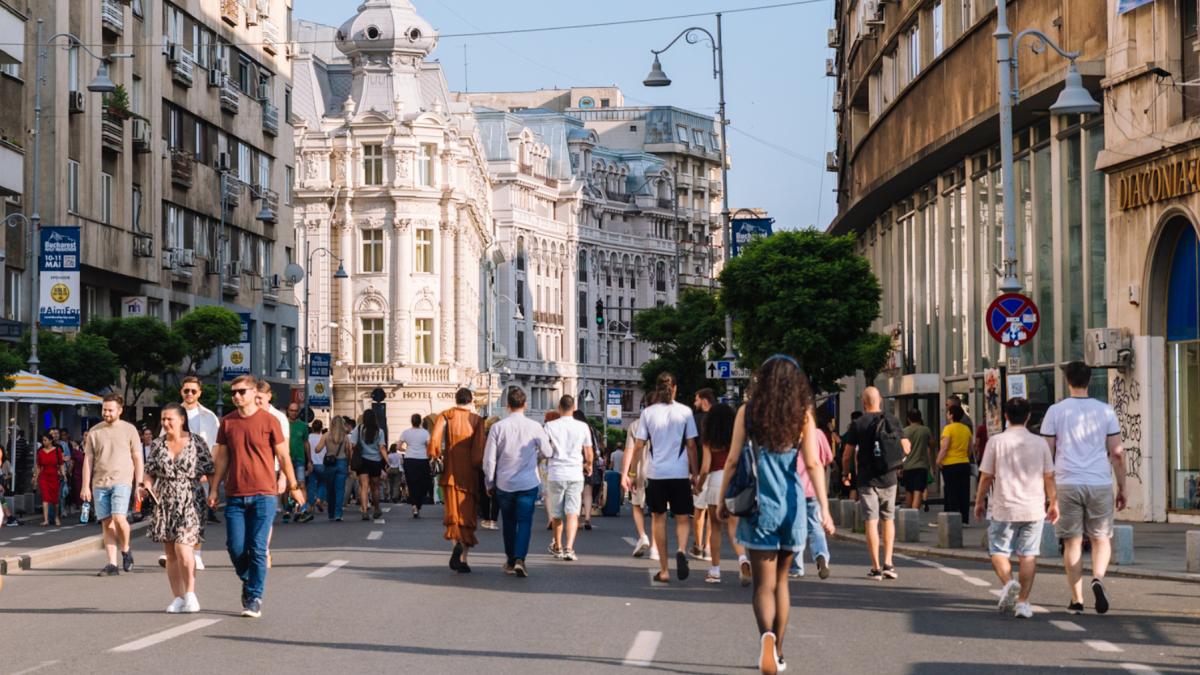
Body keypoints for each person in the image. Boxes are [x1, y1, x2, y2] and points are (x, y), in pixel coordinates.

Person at [717, 355, 834, 675]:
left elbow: (731, 459)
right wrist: (824, 509)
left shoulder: (748, 413)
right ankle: (779, 651)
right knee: (783, 582)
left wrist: (720, 498)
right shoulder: (803, 416)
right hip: (793, 506)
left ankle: (765, 637)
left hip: (758, 506)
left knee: (762, 586)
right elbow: (813, 464)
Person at [209, 374, 304, 618]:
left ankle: (253, 597)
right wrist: (214, 488)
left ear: (253, 393)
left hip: (264, 493)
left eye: (241, 392)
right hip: (235, 494)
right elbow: (223, 458)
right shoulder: (227, 423)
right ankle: (249, 578)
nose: (237, 396)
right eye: (234, 393)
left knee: (258, 548)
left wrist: (293, 485)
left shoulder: (270, 421)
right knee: (235, 546)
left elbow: (283, 456)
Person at [1040, 361, 1127, 615]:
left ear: (1068, 381)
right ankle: (1098, 578)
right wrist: (1122, 487)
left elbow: (1048, 453)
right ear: (1089, 380)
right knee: (1101, 538)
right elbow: (1117, 453)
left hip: (1067, 481)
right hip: (1099, 481)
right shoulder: (1106, 411)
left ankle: (1077, 599)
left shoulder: (1055, 412)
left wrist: (1049, 493)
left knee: (1072, 541)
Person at [974, 397, 1058, 619]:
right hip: (1033, 508)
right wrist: (1053, 503)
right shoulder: (1039, 443)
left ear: (1006, 416)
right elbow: (1048, 476)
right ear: (1029, 416)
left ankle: (1009, 583)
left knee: (999, 550)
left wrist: (979, 501)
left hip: (1004, 507)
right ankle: (1023, 603)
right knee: (1028, 555)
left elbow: (986, 476)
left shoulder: (996, 442)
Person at [623, 372, 700, 583]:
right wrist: (695, 473)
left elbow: (639, 446)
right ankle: (683, 549)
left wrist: (631, 472)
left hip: (656, 473)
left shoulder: (648, 413)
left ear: (657, 389)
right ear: (674, 388)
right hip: (680, 472)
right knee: (683, 516)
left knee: (659, 517)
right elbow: (691, 445)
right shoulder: (685, 412)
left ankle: (664, 570)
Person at [144, 403, 215, 614]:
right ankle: (177, 597)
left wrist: (213, 492)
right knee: (170, 553)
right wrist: (145, 485)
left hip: (191, 500)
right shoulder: (157, 445)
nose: (165, 423)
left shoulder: (196, 442)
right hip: (164, 501)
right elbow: (150, 472)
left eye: (170, 419)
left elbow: (211, 469)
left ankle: (191, 593)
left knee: (184, 548)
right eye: (163, 419)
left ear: (181, 420)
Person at [841, 387, 910, 581]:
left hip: (866, 479)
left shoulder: (858, 424)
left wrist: (846, 474)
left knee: (871, 521)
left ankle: (876, 567)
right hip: (889, 477)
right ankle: (889, 563)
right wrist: (898, 461)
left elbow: (847, 454)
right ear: (880, 400)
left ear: (863, 402)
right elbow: (906, 446)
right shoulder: (892, 420)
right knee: (888, 518)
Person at [483, 386, 550, 578]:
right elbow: (549, 452)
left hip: (504, 483)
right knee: (525, 522)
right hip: (528, 482)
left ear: (507, 406)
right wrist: (535, 455)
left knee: (509, 523)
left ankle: (511, 560)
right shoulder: (535, 426)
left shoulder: (498, 427)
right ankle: (521, 558)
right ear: (525, 405)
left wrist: (489, 482)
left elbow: (489, 459)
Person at [82, 394, 144, 576]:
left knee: (119, 518)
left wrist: (139, 483)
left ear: (119, 410)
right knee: (107, 524)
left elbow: (138, 458)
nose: (106, 413)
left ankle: (125, 549)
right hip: (99, 483)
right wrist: (85, 486)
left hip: (122, 481)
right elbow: (88, 460)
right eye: (104, 409)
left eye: (110, 410)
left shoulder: (129, 429)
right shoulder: (94, 431)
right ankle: (112, 564)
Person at [429, 388, 487, 573]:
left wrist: (435, 454)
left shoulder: (446, 415)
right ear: (471, 401)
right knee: (467, 514)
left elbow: (435, 441)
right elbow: (479, 451)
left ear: (456, 399)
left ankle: (456, 545)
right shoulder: (477, 421)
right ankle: (464, 558)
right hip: (469, 473)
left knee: (453, 513)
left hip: (451, 472)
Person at [696, 403, 751, 585]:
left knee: (715, 528)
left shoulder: (709, 439)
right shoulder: (737, 436)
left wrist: (698, 485)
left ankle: (715, 570)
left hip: (715, 482)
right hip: (734, 481)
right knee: (734, 527)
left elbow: (705, 468)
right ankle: (743, 559)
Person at [543, 396, 593, 562]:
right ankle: (569, 548)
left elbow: (545, 449)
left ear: (559, 407)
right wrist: (589, 465)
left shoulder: (549, 426)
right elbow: (588, 453)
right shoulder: (583, 426)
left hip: (556, 473)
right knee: (572, 513)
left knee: (557, 514)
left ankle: (557, 546)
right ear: (574, 407)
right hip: (575, 473)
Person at [789, 422, 835, 580]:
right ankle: (821, 556)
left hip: (794, 488)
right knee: (816, 525)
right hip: (815, 487)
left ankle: (797, 567)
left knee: (796, 527)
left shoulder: (789, 433)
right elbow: (829, 458)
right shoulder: (818, 434)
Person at [621, 414, 654, 559]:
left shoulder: (635, 425)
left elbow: (629, 451)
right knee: (658, 510)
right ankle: (656, 548)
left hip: (639, 470)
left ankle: (643, 536)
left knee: (636, 505)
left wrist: (625, 474)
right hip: (657, 471)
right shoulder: (665, 424)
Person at [690, 388, 717, 561]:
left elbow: (690, 446)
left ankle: (698, 545)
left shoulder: (696, 420)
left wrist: (692, 472)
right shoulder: (722, 418)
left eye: (696, 399)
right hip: (720, 470)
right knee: (713, 512)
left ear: (704, 401)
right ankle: (708, 547)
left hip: (701, 468)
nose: (695, 403)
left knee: (699, 510)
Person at [936, 405, 973, 526]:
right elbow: (970, 448)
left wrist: (938, 460)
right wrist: (964, 456)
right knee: (964, 491)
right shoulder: (966, 429)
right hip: (964, 463)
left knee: (951, 491)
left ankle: (952, 519)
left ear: (951, 415)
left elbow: (945, 447)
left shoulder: (948, 429)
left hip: (950, 464)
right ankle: (964, 519)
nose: (947, 415)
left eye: (948, 413)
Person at [351, 409, 387, 521]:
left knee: (364, 487)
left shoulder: (359, 429)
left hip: (362, 461)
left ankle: (365, 511)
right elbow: (382, 448)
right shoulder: (379, 431)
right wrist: (387, 460)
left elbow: (353, 444)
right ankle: (376, 509)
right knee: (375, 488)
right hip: (376, 462)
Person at [315, 417, 351, 521]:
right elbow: (348, 451)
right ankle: (338, 514)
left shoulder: (326, 435)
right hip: (342, 462)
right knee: (340, 490)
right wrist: (349, 463)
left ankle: (331, 513)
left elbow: (317, 449)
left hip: (330, 464)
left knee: (330, 490)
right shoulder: (345, 437)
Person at [574, 409, 603, 531]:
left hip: (576, 462)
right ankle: (587, 518)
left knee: (577, 493)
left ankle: (578, 520)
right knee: (588, 492)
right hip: (591, 462)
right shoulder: (592, 429)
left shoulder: (575, 428)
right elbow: (599, 446)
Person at [400, 414, 432, 519]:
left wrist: (407, 450)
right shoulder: (425, 433)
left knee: (411, 483)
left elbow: (399, 446)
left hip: (409, 459)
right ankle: (418, 504)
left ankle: (414, 505)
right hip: (422, 460)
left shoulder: (406, 432)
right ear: (420, 422)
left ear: (411, 421)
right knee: (423, 483)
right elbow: (429, 446)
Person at [901, 409, 933, 510]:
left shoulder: (904, 431)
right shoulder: (926, 430)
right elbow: (932, 443)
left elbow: (901, 449)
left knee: (909, 491)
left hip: (907, 466)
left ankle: (908, 514)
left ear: (908, 419)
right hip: (921, 465)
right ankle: (915, 513)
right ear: (920, 418)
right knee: (918, 490)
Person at [286, 403, 313, 523]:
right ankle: (288, 509)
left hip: (300, 459)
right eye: (291, 410)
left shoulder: (303, 426)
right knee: (288, 486)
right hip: (286, 459)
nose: (294, 413)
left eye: (296, 411)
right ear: (288, 411)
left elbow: (306, 443)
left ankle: (301, 510)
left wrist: (310, 461)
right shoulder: (283, 425)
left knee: (301, 484)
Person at [477, 416, 502, 531]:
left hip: (483, 465)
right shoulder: (500, 436)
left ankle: (486, 518)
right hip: (499, 466)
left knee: (483, 493)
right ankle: (494, 520)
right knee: (496, 493)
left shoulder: (482, 437)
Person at [34, 433, 64, 526]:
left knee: (55, 499)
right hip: (44, 476)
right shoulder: (40, 452)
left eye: (45, 440)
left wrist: (64, 474)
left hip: (54, 476)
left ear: (51, 441)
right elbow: (38, 466)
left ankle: (56, 517)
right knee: (45, 497)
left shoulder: (57, 450)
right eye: (43, 440)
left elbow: (61, 464)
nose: (44, 442)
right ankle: (46, 520)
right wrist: (35, 477)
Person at [307, 420, 327, 512]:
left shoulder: (308, 437)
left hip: (311, 464)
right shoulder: (323, 437)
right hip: (322, 464)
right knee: (323, 483)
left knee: (311, 485)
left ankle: (310, 505)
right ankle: (319, 499)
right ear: (321, 428)